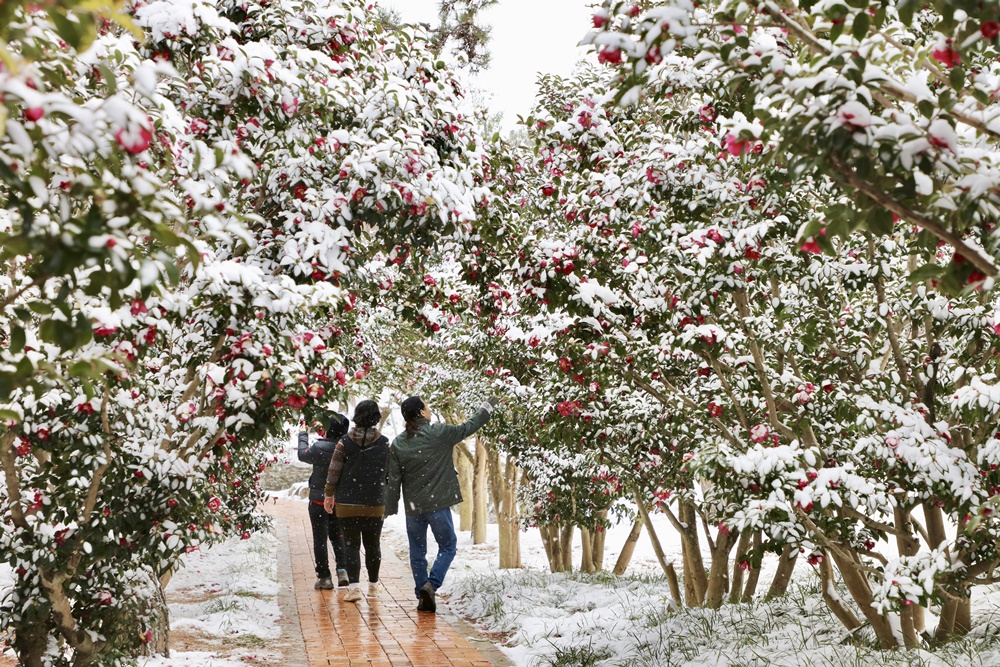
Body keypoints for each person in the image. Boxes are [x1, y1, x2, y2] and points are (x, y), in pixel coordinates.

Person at [386, 395, 496, 613]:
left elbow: (393, 480)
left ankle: (422, 595)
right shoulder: (439, 433)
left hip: (414, 508)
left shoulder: (398, 443)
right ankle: (432, 584)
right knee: (447, 546)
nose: (429, 409)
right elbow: (469, 427)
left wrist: (389, 507)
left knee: (417, 552)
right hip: (438, 505)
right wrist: (487, 407)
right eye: (426, 407)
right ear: (421, 413)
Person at [323, 400, 390, 603]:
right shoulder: (384, 442)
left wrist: (328, 494)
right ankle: (373, 586)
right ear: (376, 417)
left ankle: (353, 589)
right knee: (373, 545)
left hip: (347, 503)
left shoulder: (344, 442)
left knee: (351, 545)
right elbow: (389, 473)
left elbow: (334, 471)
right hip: (375, 502)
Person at [297, 414, 350, 590]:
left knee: (320, 538)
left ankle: (325, 577)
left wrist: (303, 434)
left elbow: (302, 454)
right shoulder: (348, 448)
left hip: (319, 500)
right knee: (338, 535)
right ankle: (342, 570)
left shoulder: (319, 447)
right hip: (340, 501)